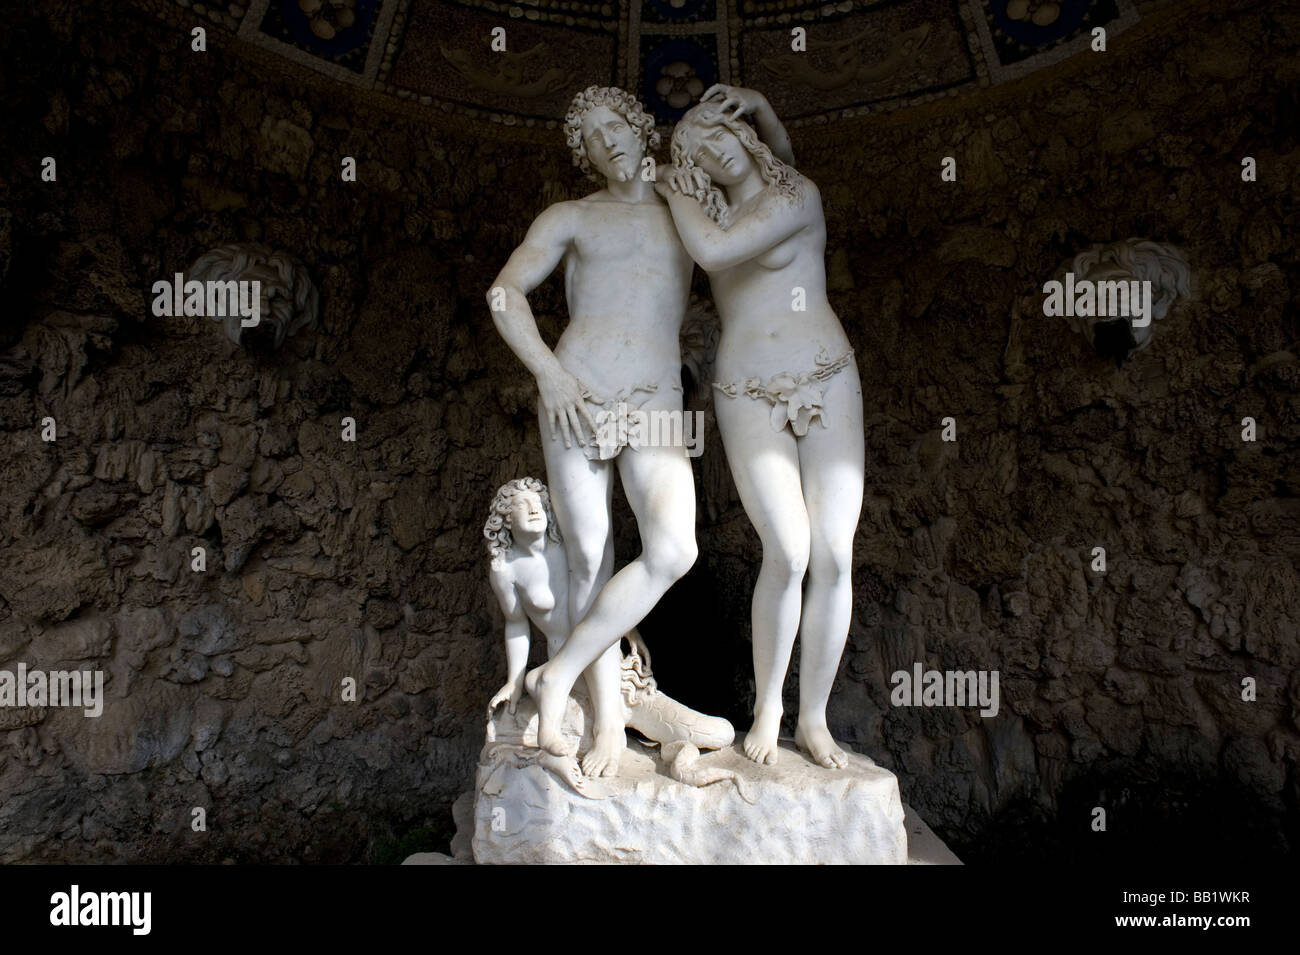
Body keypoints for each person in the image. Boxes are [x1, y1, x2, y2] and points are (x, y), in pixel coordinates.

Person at [487, 87, 699, 774]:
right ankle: (607, 722)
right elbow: (504, 293)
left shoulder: (690, 210)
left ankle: (559, 672)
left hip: (657, 395)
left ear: (642, 129)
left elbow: (768, 200)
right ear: (583, 155)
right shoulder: (572, 215)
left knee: (673, 548)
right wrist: (549, 374)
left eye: (617, 127)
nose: (607, 141)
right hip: (577, 388)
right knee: (587, 555)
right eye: (591, 137)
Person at [655, 85, 865, 769]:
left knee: (834, 553)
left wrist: (676, 182)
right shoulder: (712, 208)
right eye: (695, 149)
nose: (713, 150)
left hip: (825, 373)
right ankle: (770, 703)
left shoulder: (795, 194)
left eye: (719, 132)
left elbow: (716, 251)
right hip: (745, 385)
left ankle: (814, 717)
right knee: (790, 549)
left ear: (744, 134)